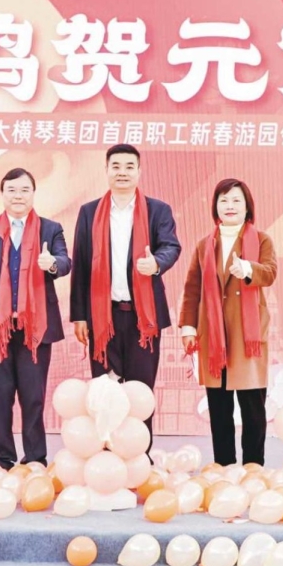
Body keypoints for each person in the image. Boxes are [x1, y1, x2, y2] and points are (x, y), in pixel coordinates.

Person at [70, 143, 181, 444]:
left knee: (140, 391)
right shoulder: (89, 212)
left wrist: (156, 263)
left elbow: (171, 246)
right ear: (106, 170)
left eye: (129, 166)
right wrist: (79, 316)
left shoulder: (158, 210)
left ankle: (140, 453)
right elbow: (81, 263)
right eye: (116, 166)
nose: (122, 172)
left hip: (144, 319)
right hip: (101, 318)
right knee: (105, 391)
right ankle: (107, 453)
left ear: (139, 171)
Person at [0, 168, 71, 470]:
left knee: (33, 397)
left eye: (24, 190)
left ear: (33, 193)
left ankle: (35, 457)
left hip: (35, 329)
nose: (18, 196)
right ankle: (2, 457)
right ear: (2, 194)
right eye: (12, 190)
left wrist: (52, 264)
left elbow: (65, 262)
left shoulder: (50, 229)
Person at [180, 179, 276, 466]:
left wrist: (246, 268)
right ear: (216, 207)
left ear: (247, 207)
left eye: (236, 200)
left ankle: (253, 468)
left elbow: (269, 273)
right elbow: (192, 289)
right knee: (219, 410)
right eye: (224, 200)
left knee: (253, 410)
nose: (230, 206)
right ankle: (223, 468)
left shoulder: (262, 240)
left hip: (248, 336)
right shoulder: (204, 245)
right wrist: (188, 326)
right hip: (213, 336)